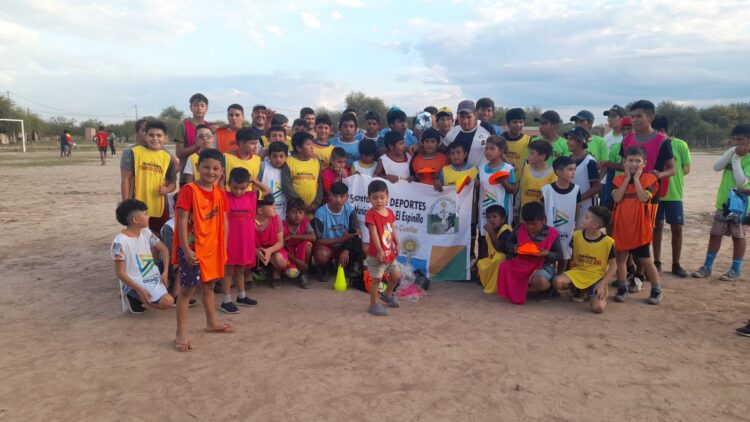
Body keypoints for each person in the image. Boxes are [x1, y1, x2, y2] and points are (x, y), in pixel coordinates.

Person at [173, 148, 234, 352]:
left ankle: (212, 322)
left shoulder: (220, 192)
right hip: (192, 248)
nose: (211, 172)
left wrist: (223, 247)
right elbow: (182, 220)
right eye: (206, 167)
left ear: (222, 171)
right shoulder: (189, 191)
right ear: (198, 167)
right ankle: (181, 332)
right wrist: (185, 249)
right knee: (187, 290)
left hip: (212, 248)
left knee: (209, 286)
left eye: (216, 168)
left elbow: (224, 221)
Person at [693, 124, 750, 281]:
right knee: (715, 234)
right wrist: (731, 152)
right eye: (734, 139)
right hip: (724, 203)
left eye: (740, 139)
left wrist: (736, 159)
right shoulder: (731, 151)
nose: (736, 143)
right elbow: (717, 167)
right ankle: (707, 266)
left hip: (742, 206)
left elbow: (741, 182)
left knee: (738, 236)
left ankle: (735, 269)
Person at [611, 146, 663, 305]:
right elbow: (617, 198)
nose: (633, 164)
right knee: (620, 259)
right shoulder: (618, 180)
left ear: (644, 163)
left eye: (637, 161)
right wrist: (627, 179)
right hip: (622, 225)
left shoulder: (650, 179)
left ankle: (656, 290)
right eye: (630, 160)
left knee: (646, 260)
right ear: (624, 162)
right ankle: (622, 288)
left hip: (640, 226)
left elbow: (643, 198)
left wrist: (636, 179)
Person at [220, 167, 270, 313]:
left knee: (241, 269)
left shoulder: (252, 196)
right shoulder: (224, 196)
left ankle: (241, 296)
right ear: (229, 183)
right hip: (229, 241)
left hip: (245, 240)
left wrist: (253, 180)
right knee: (228, 271)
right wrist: (221, 179)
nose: (239, 191)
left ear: (247, 185)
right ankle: (226, 300)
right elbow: (216, 189)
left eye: (243, 188)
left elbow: (267, 190)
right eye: (235, 187)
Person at [112, 199, 175, 314]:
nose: (148, 217)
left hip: (151, 273)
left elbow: (164, 250)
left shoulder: (146, 232)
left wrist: (165, 272)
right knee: (167, 302)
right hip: (135, 279)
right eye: (145, 214)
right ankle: (132, 294)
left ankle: (144, 296)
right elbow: (120, 273)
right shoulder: (119, 243)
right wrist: (139, 289)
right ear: (135, 220)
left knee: (178, 263)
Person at [497, 201, 562, 304]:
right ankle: (517, 290)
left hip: (543, 265)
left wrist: (547, 254)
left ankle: (549, 289)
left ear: (543, 221)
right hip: (522, 262)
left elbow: (559, 255)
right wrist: (514, 248)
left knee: (540, 281)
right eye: (527, 224)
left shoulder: (552, 233)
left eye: (534, 224)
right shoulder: (519, 229)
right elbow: (507, 245)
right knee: (504, 266)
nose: (530, 227)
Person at [553, 206, 616, 313]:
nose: (582, 218)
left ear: (595, 224)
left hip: (596, 277)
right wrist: (568, 274)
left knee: (598, 308)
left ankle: (591, 293)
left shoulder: (608, 242)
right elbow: (571, 258)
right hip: (578, 272)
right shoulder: (576, 235)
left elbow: (614, 267)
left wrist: (602, 284)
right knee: (557, 282)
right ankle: (579, 290)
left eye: (586, 217)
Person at [121, 120, 178, 237]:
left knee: (157, 234)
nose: (155, 138)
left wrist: (167, 190)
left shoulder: (167, 158)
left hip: (159, 205)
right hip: (137, 204)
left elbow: (173, 183)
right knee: (138, 234)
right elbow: (126, 179)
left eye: (159, 135)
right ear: (145, 137)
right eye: (151, 135)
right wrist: (126, 203)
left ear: (165, 138)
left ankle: (155, 250)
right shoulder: (134, 153)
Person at [652, 115, 691, 277]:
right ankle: (657, 261)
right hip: (655, 193)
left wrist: (670, 174)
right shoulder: (652, 143)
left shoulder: (680, 145)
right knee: (656, 227)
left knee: (677, 228)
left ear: (661, 130)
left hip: (674, 194)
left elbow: (686, 168)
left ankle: (676, 263)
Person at [618, 100, 676, 199]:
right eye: (632, 117)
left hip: (650, 194)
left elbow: (673, 169)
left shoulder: (662, 141)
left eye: (639, 116)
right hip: (628, 193)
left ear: (651, 117)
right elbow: (623, 165)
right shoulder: (626, 140)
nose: (634, 120)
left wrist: (660, 174)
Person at [312, 182, 363, 282]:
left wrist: (346, 250)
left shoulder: (350, 210)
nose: (338, 199)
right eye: (335, 196)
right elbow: (318, 241)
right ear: (329, 195)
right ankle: (325, 268)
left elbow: (356, 232)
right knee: (321, 255)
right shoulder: (320, 213)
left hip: (343, 247)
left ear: (347, 197)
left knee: (359, 250)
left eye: (342, 196)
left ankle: (344, 266)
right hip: (326, 246)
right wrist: (341, 239)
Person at [364, 180, 401, 316]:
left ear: (387, 197)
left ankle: (387, 294)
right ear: (369, 199)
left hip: (389, 254)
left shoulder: (389, 212)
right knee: (376, 280)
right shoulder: (371, 214)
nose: (379, 201)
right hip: (376, 255)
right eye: (375, 198)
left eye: (382, 197)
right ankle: (373, 305)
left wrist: (397, 243)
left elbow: (392, 229)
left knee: (396, 275)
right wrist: (379, 251)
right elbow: (373, 233)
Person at [478, 136, 517, 258]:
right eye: (486, 148)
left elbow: (513, 190)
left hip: (501, 212)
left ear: (501, 151)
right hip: (485, 212)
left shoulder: (508, 169)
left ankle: (501, 267)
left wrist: (502, 181)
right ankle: (484, 266)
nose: (488, 151)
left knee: (502, 242)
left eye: (492, 148)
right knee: (484, 239)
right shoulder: (481, 168)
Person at [542, 156, 581, 272]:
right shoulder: (546, 190)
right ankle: (548, 275)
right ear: (558, 172)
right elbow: (542, 209)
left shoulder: (576, 189)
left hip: (568, 229)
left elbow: (577, 208)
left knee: (565, 255)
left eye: (574, 169)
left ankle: (560, 276)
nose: (573, 173)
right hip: (549, 229)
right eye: (570, 169)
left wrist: (574, 226)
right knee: (549, 255)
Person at [442, 100, 494, 168]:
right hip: (459, 174)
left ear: (475, 115)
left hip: (482, 173)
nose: (465, 121)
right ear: (457, 116)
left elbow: (499, 150)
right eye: (462, 117)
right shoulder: (452, 133)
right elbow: (442, 151)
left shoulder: (487, 128)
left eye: (469, 117)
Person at [282, 132, 324, 215]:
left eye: (313, 144)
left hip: (312, 209)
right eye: (308, 145)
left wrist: (316, 203)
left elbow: (320, 184)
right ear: (299, 148)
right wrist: (299, 203)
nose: (312, 147)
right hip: (294, 208)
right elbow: (286, 185)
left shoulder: (317, 162)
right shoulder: (288, 162)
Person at [566, 127, 601, 226]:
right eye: (568, 139)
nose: (568, 142)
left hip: (585, 208)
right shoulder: (567, 160)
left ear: (581, 142)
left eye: (571, 139)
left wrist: (577, 199)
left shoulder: (589, 162)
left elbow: (597, 187)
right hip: (568, 206)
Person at [174, 93, 209, 185]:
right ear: (191, 108)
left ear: (206, 108)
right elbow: (179, 153)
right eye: (196, 105)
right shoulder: (182, 126)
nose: (199, 108)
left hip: (207, 176)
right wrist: (197, 145)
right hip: (186, 176)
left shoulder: (209, 127)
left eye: (202, 105)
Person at [255, 195, 289, 288]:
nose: (275, 207)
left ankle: (276, 272)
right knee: (244, 254)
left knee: (281, 261)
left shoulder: (276, 219)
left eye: (274, 205)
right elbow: (245, 243)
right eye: (272, 206)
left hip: (272, 250)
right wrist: (255, 251)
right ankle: (247, 275)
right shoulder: (249, 221)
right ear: (260, 211)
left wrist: (269, 251)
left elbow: (280, 242)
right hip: (254, 250)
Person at [599, 116, 633, 209]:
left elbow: (624, 166)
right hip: (618, 186)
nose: (626, 132)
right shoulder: (615, 148)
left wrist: (608, 163)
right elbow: (610, 172)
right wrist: (608, 195)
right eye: (623, 129)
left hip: (637, 186)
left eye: (629, 128)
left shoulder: (641, 145)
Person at [478, 205, 512, 294]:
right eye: (488, 217)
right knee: (481, 263)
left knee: (499, 257)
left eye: (494, 217)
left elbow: (499, 248)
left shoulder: (506, 231)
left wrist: (491, 232)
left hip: (507, 260)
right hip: (493, 257)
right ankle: (489, 283)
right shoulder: (490, 231)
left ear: (503, 220)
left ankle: (497, 286)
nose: (491, 220)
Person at [283, 198, 316, 289]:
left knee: (308, 244)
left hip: (300, 252)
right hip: (288, 255)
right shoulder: (282, 224)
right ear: (287, 213)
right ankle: (279, 272)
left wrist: (293, 236)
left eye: (300, 213)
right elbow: (281, 248)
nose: (297, 216)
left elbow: (313, 237)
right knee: (291, 273)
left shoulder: (305, 222)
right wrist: (296, 261)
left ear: (304, 214)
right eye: (293, 212)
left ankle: (303, 274)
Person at [519, 140, 556, 210]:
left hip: (541, 214)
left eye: (532, 153)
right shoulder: (526, 169)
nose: (528, 156)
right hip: (524, 212)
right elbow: (521, 190)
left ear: (543, 156)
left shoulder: (553, 174)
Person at [260, 141, 290, 219]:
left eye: (281, 156)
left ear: (286, 156)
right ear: (269, 156)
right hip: (265, 214)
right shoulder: (262, 167)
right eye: (275, 156)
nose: (278, 159)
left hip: (283, 214)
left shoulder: (290, 169)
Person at [501, 108, 531, 175]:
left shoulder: (528, 140)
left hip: (521, 178)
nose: (518, 125)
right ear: (508, 123)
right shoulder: (500, 138)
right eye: (514, 122)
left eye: (521, 122)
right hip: (501, 178)